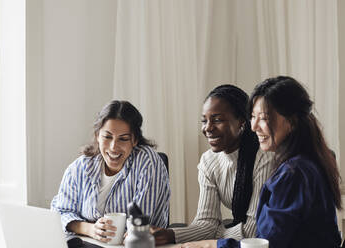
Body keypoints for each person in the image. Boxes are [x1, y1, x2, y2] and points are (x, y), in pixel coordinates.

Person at [179, 76, 342, 248]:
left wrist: (212, 243)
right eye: (252, 117)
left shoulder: (293, 173)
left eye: (263, 118)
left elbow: (266, 244)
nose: (254, 126)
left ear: (291, 121)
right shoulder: (304, 162)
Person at [153, 85, 275, 245]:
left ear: (242, 123)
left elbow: (254, 230)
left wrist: (217, 233)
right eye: (204, 120)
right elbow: (206, 223)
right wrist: (168, 235)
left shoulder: (263, 157)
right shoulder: (208, 161)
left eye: (217, 120)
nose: (208, 128)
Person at [51, 100, 170, 243]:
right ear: (97, 136)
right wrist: (90, 229)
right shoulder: (80, 167)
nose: (114, 147)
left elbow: (140, 224)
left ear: (135, 140)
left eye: (123, 139)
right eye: (107, 137)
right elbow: (60, 213)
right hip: (88, 244)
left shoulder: (147, 161)